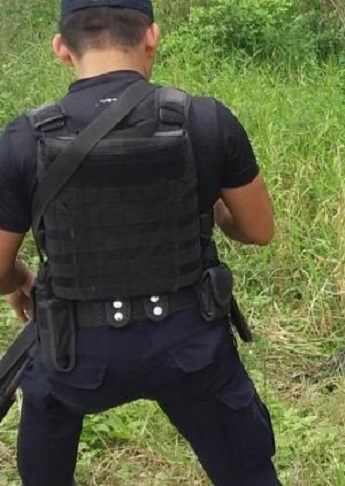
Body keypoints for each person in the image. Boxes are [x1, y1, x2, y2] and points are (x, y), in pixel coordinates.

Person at [0, 1, 281, 484]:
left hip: (75, 358)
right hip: (190, 351)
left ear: (61, 49)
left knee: (46, 416)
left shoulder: (24, 139)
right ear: (152, 36)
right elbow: (258, 229)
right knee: (247, 471)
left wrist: (20, 280)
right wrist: (210, 204)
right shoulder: (204, 120)